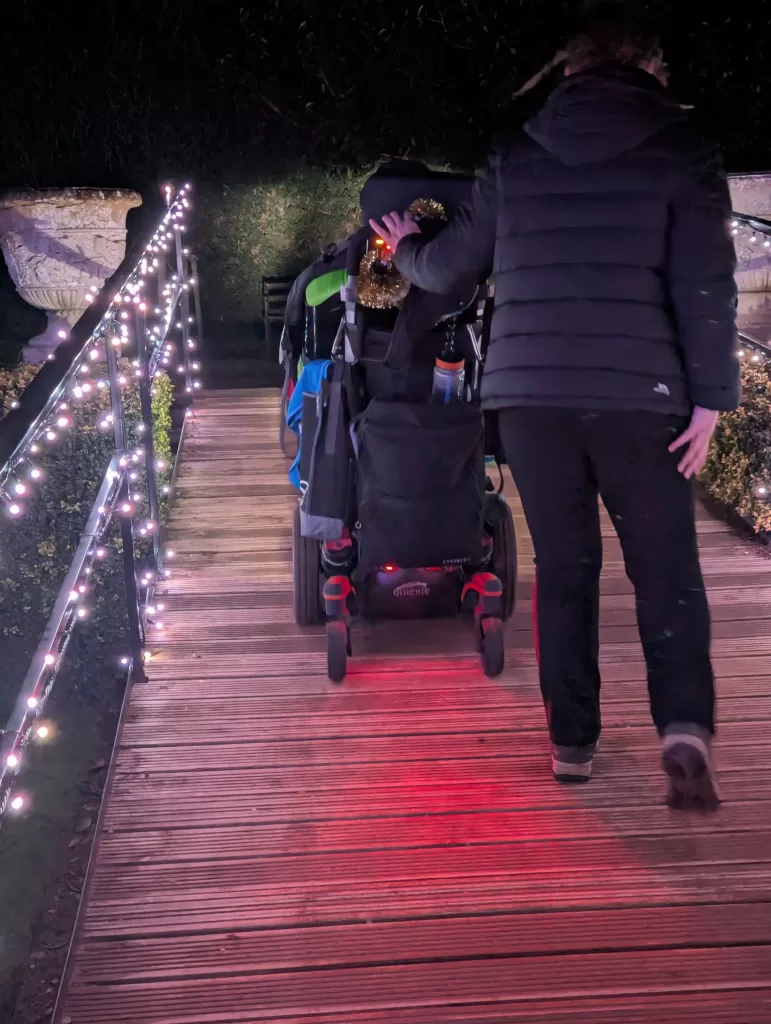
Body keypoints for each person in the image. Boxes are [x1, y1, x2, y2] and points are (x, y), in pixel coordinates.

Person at [371, 2, 739, 811]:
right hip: (644, 400)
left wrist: (401, 245)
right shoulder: (684, 151)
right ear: (650, 72)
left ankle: (572, 743)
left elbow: (451, 271)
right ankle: (681, 729)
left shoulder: (515, 154)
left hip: (530, 397)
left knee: (566, 570)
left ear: (569, 71)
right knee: (665, 571)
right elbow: (705, 286)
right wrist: (711, 399)